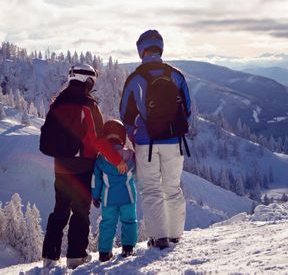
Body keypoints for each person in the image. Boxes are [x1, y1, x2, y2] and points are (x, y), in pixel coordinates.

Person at [41, 64, 128, 269]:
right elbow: (98, 139)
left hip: (61, 165)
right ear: (86, 80)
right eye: (92, 82)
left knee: (60, 210)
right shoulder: (88, 105)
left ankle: (49, 257)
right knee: (80, 211)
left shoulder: (58, 102)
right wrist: (117, 160)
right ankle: (76, 256)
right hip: (82, 165)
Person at [120, 29, 191, 249]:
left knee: (151, 189)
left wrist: (135, 133)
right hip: (174, 142)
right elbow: (187, 110)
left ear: (141, 50)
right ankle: (175, 235)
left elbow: (125, 113)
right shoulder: (176, 75)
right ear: (160, 47)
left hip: (146, 142)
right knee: (173, 187)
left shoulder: (135, 78)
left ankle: (159, 238)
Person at [92, 119, 137, 262]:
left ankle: (104, 253)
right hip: (128, 197)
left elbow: (96, 180)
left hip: (108, 198)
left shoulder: (101, 159)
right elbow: (137, 173)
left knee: (107, 223)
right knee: (129, 221)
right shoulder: (130, 155)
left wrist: (95, 196)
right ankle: (128, 248)